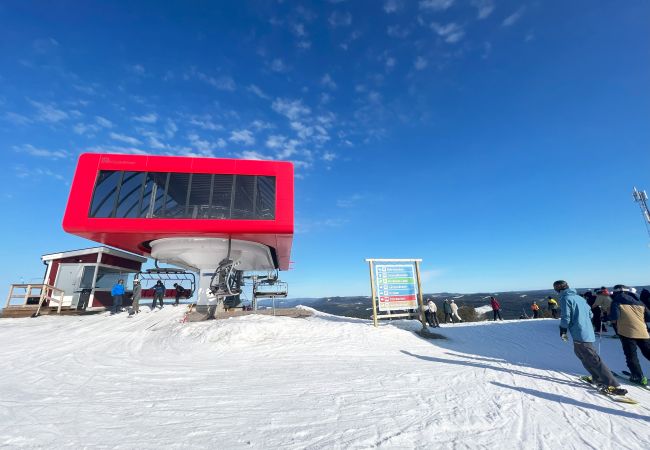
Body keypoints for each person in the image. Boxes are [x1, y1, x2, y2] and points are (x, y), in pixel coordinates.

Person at [554, 280, 626, 395]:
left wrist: (563, 330)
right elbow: (590, 314)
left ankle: (612, 384)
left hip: (580, 333)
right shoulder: (580, 298)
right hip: (586, 331)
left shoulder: (565, 299)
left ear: (558, 288)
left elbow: (566, 317)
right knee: (582, 355)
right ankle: (597, 378)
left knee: (592, 358)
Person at [609, 285, 650, 386]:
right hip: (643, 331)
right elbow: (648, 317)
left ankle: (637, 376)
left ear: (616, 292)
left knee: (631, 355)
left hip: (627, 332)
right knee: (648, 352)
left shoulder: (617, 301)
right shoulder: (639, 301)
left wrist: (606, 318)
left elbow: (614, 317)